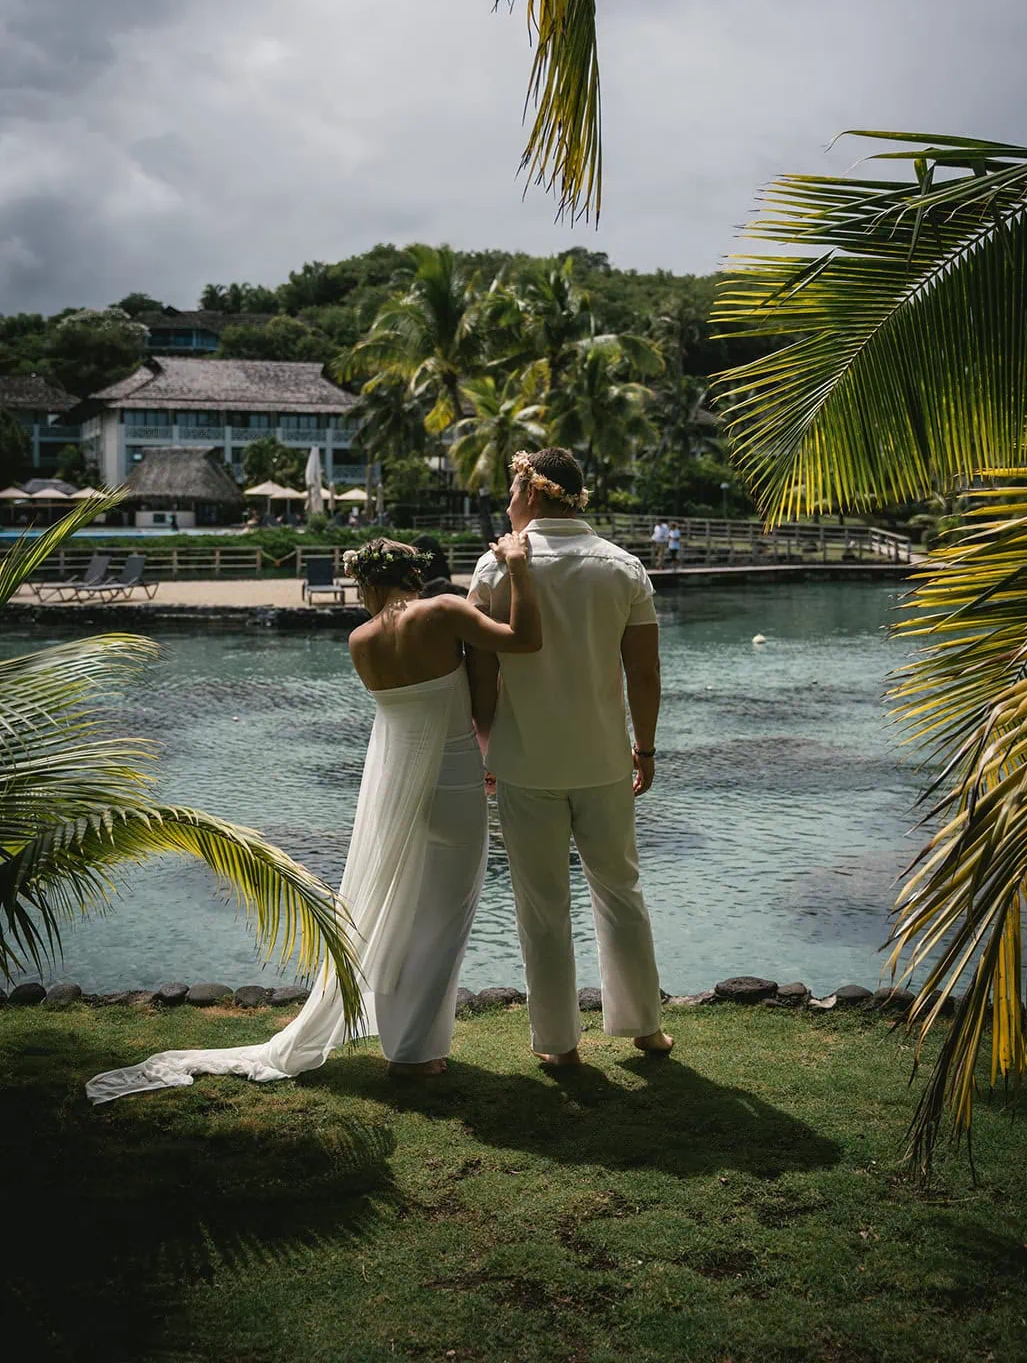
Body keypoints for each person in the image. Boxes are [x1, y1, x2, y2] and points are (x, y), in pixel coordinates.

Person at [85, 534, 542, 1103]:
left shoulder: (360, 642)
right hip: (452, 784)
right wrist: (519, 570)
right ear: (413, 577)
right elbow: (524, 640)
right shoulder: (445, 610)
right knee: (444, 918)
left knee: (394, 911)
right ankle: (415, 1054)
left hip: (392, 789)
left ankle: (409, 1043)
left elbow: (408, 717)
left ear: (367, 583)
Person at [467, 447, 672, 1068]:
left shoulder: (494, 569)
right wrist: (645, 746)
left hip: (526, 762)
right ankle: (643, 1028)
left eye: (510, 492)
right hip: (604, 760)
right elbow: (643, 672)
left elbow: (480, 673)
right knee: (621, 891)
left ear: (532, 493)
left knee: (542, 906)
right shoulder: (624, 568)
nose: (507, 503)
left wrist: (485, 746)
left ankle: (558, 1045)